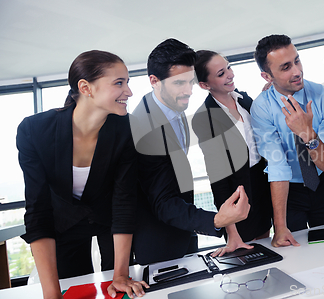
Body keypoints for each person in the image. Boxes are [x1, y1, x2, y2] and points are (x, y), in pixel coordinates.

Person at [17, 50, 148, 299]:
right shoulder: (34, 131)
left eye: (128, 82)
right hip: (63, 222)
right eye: (119, 83)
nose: (129, 92)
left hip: (111, 220)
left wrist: (120, 274)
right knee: (71, 289)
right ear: (86, 88)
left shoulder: (127, 129)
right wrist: (51, 293)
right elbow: (38, 211)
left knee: (122, 288)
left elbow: (124, 201)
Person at [129, 39, 250, 265]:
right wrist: (216, 219)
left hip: (183, 232)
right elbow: (163, 202)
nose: (188, 91)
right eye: (179, 83)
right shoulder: (144, 127)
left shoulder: (172, 106)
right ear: (154, 81)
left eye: (190, 81)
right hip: (159, 243)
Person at [251, 34, 324, 248]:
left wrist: (309, 135)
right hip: (288, 192)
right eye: (285, 67)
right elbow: (277, 166)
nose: (297, 71)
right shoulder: (262, 108)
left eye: (297, 60)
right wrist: (280, 226)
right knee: (294, 256)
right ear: (267, 76)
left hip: (322, 186)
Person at [192, 50, 273, 253]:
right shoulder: (204, 118)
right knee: (249, 250)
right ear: (205, 85)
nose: (230, 74)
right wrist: (232, 234)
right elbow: (218, 178)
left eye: (228, 67)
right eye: (221, 73)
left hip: (263, 180)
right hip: (239, 189)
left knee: (268, 241)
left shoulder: (244, 99)